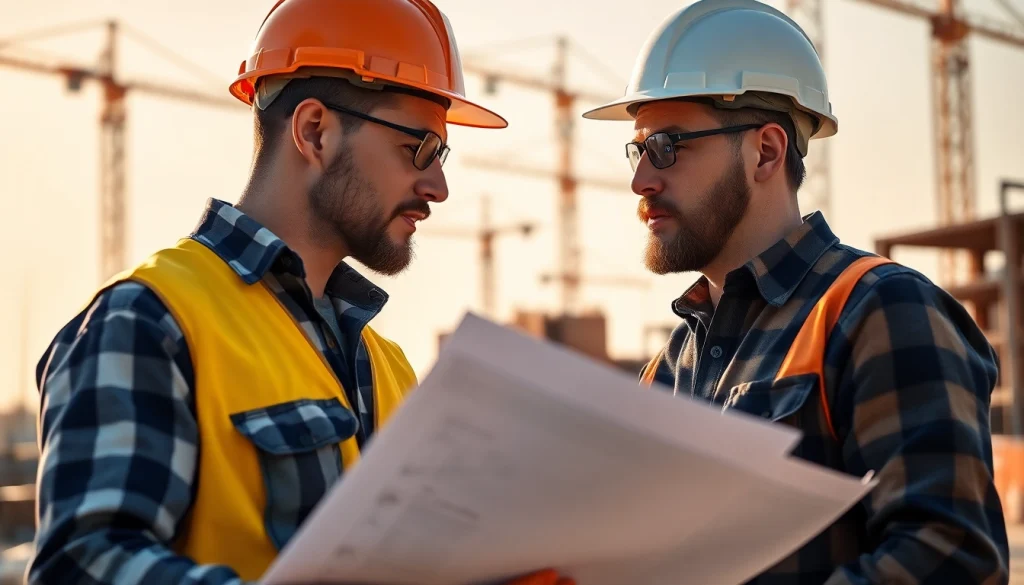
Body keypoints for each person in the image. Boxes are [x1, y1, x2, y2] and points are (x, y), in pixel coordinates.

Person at [28, 1, 571, 584]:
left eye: (442, 156)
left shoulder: (387, 369)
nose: (438, 186)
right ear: (315, 131)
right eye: (419, 149)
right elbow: (83, 567)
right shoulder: (145, 322)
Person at [583, 0, 1010, 582]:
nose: (641, 180)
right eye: (638, 150)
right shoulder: (667, 371)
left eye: (668, 147)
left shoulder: (880, 310)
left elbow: (949, 559)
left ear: (766, 151)